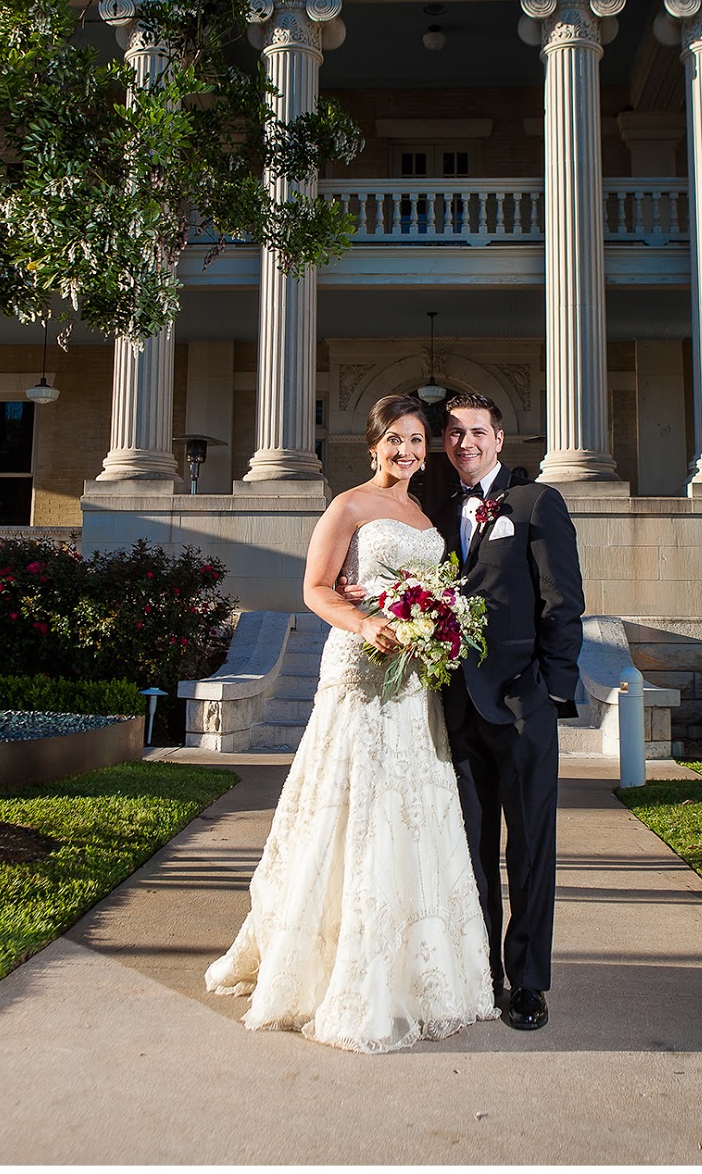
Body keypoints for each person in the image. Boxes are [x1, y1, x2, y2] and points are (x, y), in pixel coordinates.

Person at [204, 394, 497, 1053]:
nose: (406, 451)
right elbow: (316, 589)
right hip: (362, 670)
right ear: (372, 446)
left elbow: (435, 593)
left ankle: (417, 971)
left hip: (414, 679)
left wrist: (437, 620)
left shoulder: (425, 515)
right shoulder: (347, 506)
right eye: (394, 439)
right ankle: (338, 967)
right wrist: (365, 623)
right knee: (356, 806)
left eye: (416, 440)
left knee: (410, 811)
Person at [437, 394, 585, 1032]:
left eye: (476, 431)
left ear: (499, 438)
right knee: (470, 854)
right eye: (453, 433)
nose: (464, 442)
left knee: (529, 850)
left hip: (523, 705)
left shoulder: (536, 503)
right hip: (457, 709)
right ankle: (481, 974)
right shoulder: (437, 512)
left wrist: (551, 691)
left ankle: (527, 982)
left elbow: (563, 601)